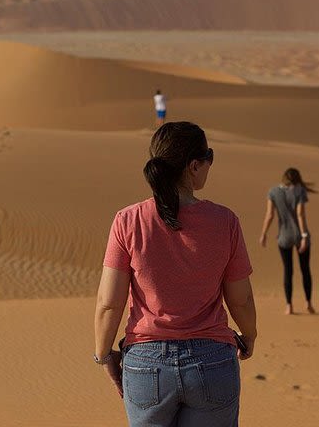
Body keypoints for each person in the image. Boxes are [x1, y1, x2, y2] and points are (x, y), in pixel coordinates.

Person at [94, 121, 257, 427]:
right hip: (212, 361)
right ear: (194, 166)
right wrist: (249, 335)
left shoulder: (127, 220)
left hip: (146, 364)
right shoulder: (225, 221)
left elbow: (108, 303)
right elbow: (241, 299)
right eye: (208, 157)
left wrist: (103, 356)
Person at [259, 167, 317, 315]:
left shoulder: (273, 192)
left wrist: (263, 233)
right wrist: (304, 236)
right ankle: (308, 303)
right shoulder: (299, 191)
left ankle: (289, 305)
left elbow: (270, 214)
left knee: (288, 271)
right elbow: (300, 214)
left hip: (283, 237)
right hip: (299, 236)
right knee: (305, 270)